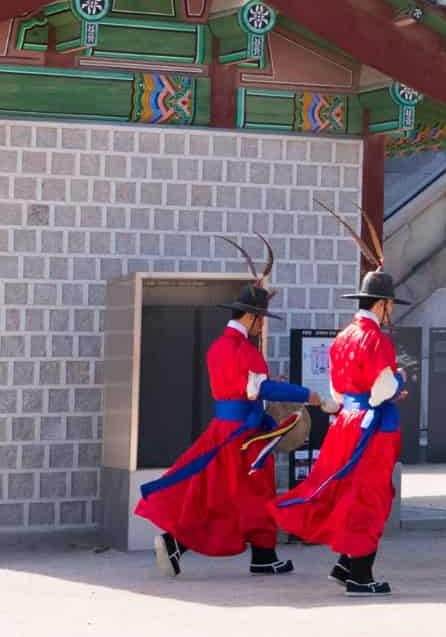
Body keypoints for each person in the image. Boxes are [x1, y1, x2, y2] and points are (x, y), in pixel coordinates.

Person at [139, 236, 329, 578]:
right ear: (253, 318)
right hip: (247, 436)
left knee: (217, 495)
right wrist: (306, 395)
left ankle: (251, 553)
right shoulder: (246, 351)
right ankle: (253, 554)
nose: (262, 325)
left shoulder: (218, 348)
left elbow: (244, 388)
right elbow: (262, 388)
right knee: (253, 492)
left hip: (222, 430)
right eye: (261, 319)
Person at [273, 211, 410, 597]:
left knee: (347, 490)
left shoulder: (343, 336)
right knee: (371, 496)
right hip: (372, 427)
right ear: (382, 304)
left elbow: (336, 389)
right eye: (390, 305)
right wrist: (399, 380)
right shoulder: (377, 340)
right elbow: (383, 388)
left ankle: (346, 564)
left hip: (346, 421)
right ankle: (360, 576)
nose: (391, 312)